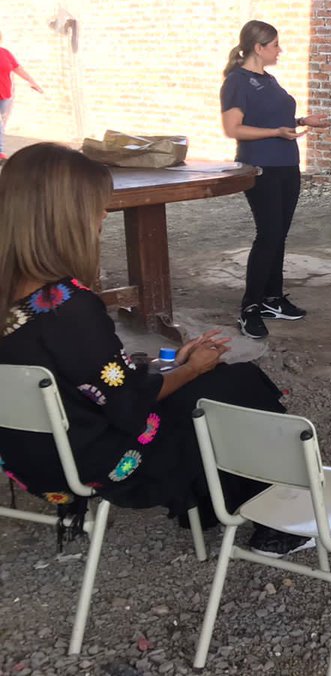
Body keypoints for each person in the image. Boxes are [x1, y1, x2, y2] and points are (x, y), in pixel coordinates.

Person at [0, 144, 308, 556]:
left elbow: (84, 377)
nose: (103, 215)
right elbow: (126, 406)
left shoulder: (16, 296)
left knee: (213, 382)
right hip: (93, 462)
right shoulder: (67, 305)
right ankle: (277, 521)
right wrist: (191, 369)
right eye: (96, 205)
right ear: (63, 218)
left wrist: (168, 369)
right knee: (234, 387)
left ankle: (221, 503)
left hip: (26, 456)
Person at [220, 20, 331, 339]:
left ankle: (271, 298)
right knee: (267, 234)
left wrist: (301, 121)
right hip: (260, 166)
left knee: (279, 234)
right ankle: (249, 308)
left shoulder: (268, 80)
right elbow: (233, 129)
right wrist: (275, 132)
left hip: (286, 163)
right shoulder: (236, 82)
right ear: (258, 47)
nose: (279, 50)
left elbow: (273, 118)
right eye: (275, 45)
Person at [0, 30, 45, 161]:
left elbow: (17, 68)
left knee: (1, 124)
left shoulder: (5, 53)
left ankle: (0, 152)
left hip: (5, 95)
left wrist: (32, 81)